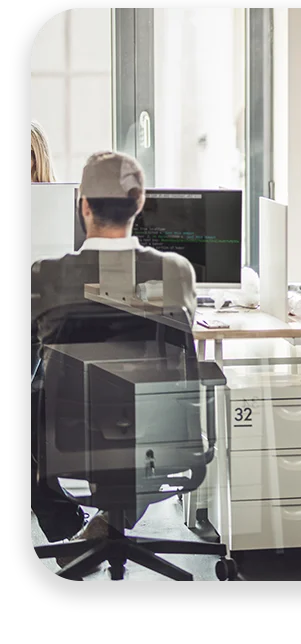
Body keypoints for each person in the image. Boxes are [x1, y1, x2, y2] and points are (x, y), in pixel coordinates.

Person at [31, 151, 197, 567]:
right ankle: (101, 527)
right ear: (140, 203)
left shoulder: (45, 276)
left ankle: (74, 538)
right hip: (157, 432)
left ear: (82, 205)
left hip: (67, 438)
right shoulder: (176, 271)